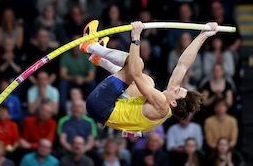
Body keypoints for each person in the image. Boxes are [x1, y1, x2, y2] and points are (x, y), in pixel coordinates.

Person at [81, 20, 218, 134]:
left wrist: (135, 38)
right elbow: (182, 65)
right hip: (112, 107)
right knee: (147, 81)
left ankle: (91, 47)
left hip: (100, 106)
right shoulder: (167, 103)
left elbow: (134, 72)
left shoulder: (161, 103)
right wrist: (203, 36)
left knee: (137, 64)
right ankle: (98, 59)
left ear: (174, 103)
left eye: (176, 91)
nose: (175, 87)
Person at [59, 35, 96, 112]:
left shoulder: (87, 57)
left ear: (82, 44)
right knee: (63, 84)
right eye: (75, 44)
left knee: (92, 83)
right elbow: (62, 75)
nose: (76, 46)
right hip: (70, 81)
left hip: (84, 82)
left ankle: (92, 108)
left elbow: (91, 76)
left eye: (79, 43)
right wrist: (75, 78)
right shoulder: (66, 56)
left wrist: (82, 79)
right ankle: (62, 109)